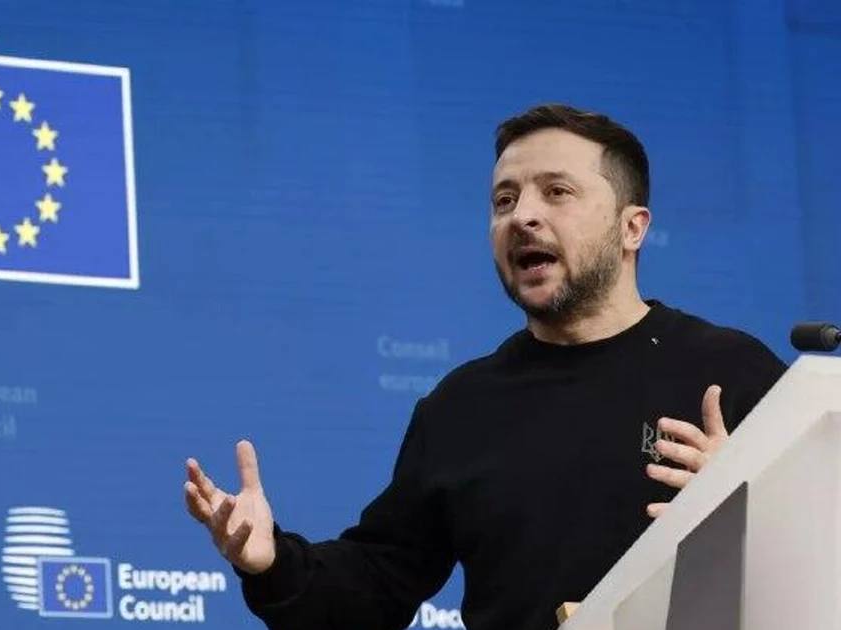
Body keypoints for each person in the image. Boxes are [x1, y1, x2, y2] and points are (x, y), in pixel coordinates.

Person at [181, 103, 789, 630]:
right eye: (504, 199)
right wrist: (271, 562)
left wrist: (763, 499)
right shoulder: (462, 408)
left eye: (557, 192)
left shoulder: (730, 372)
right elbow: (375, 582)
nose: (521, 216)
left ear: (632, 228)